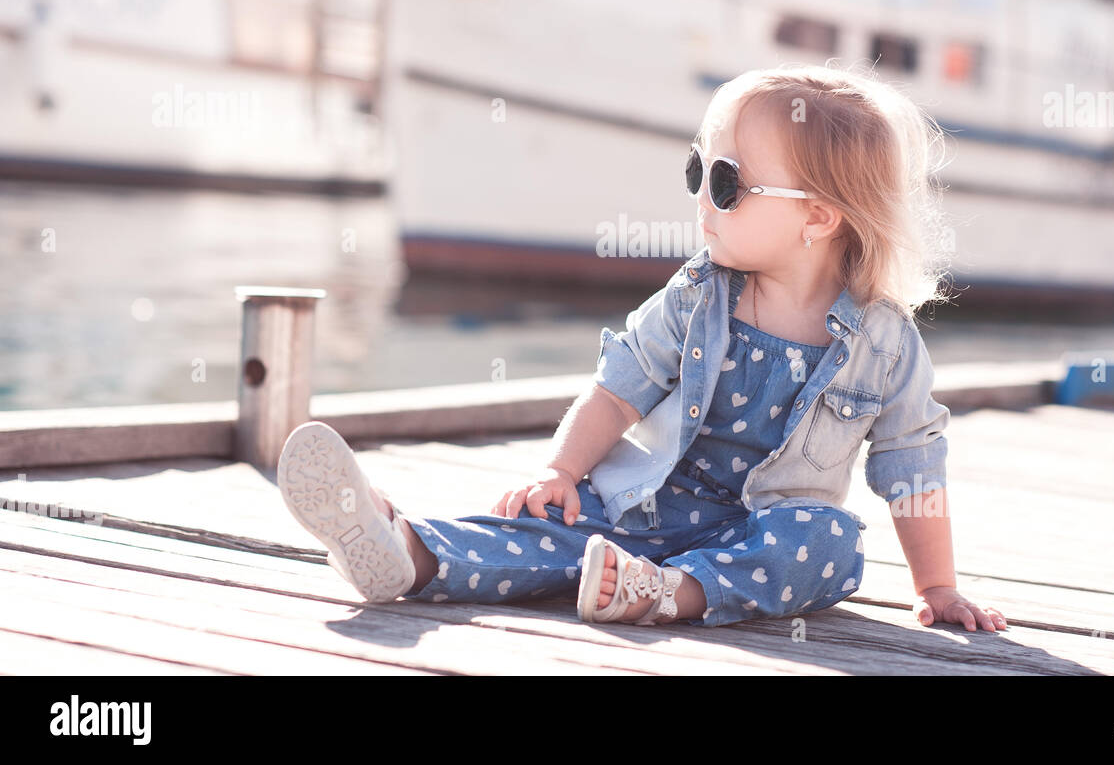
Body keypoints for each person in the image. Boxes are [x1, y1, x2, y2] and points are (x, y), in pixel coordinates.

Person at [278, 63, 1008, 633]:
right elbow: (618, 384)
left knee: (828, 544)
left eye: (726, 184)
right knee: (547, 527)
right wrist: (561, 470)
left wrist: (936, 587)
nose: (700, 198)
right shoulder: (698, 295)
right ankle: (406, 550)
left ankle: (668, 595)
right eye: (697, 170)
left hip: (759, 533)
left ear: (817, 217)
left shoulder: (884, 345)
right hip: (645, 506)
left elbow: (913, 468)